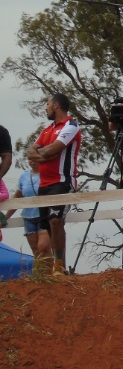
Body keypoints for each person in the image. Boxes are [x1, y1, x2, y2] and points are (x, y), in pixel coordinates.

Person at [27, 93, 82, 273]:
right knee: (48, 226)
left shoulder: (71, 125)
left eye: (48, 104)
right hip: (44, 184)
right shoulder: (47, 130)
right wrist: (47, 154)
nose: (46, 108)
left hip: (62, 181)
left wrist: (46, 152)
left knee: (56, 220)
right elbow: (30, 153)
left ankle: (58, 265)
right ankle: (61, 268)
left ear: (56, 105)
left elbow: (55, 148)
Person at [5, 160, 43, 257]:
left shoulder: (47, 174)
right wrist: (7, 216)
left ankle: (52, 270)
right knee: (35, 250)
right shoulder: (24, 176)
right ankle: (40, 271)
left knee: (44, 247)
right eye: (30, 159)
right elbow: (18, 196)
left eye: (35, 159)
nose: (33, 162)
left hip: (44, 216)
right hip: (28, 217)